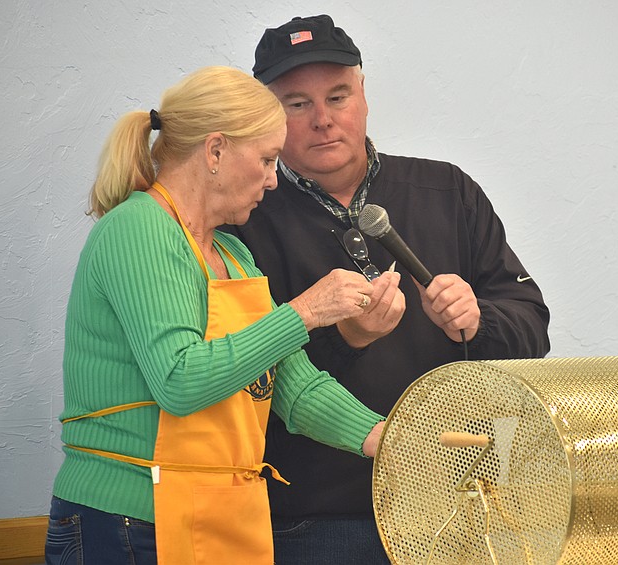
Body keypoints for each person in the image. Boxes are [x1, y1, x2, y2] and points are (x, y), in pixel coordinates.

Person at [221, 15, 551, 564]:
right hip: (314, 517)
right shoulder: (245, 217)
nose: (323, 120)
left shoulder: (448, 191)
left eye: (338, 95)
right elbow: (252, 375)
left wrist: (479, 320)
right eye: (297, 105)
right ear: (266, 117)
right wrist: (346, 339)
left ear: (364, 95)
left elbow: (533, 328)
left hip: (459, 507)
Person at [44, 65, 389, 565]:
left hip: (215, 516)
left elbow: (295, 388)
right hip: (128, 524)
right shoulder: (137, 230)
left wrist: (391, 438)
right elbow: (180, 380)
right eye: (268, 159)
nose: (273, 181)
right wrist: (306, 311)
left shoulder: (232, 255)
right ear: (216, 151)